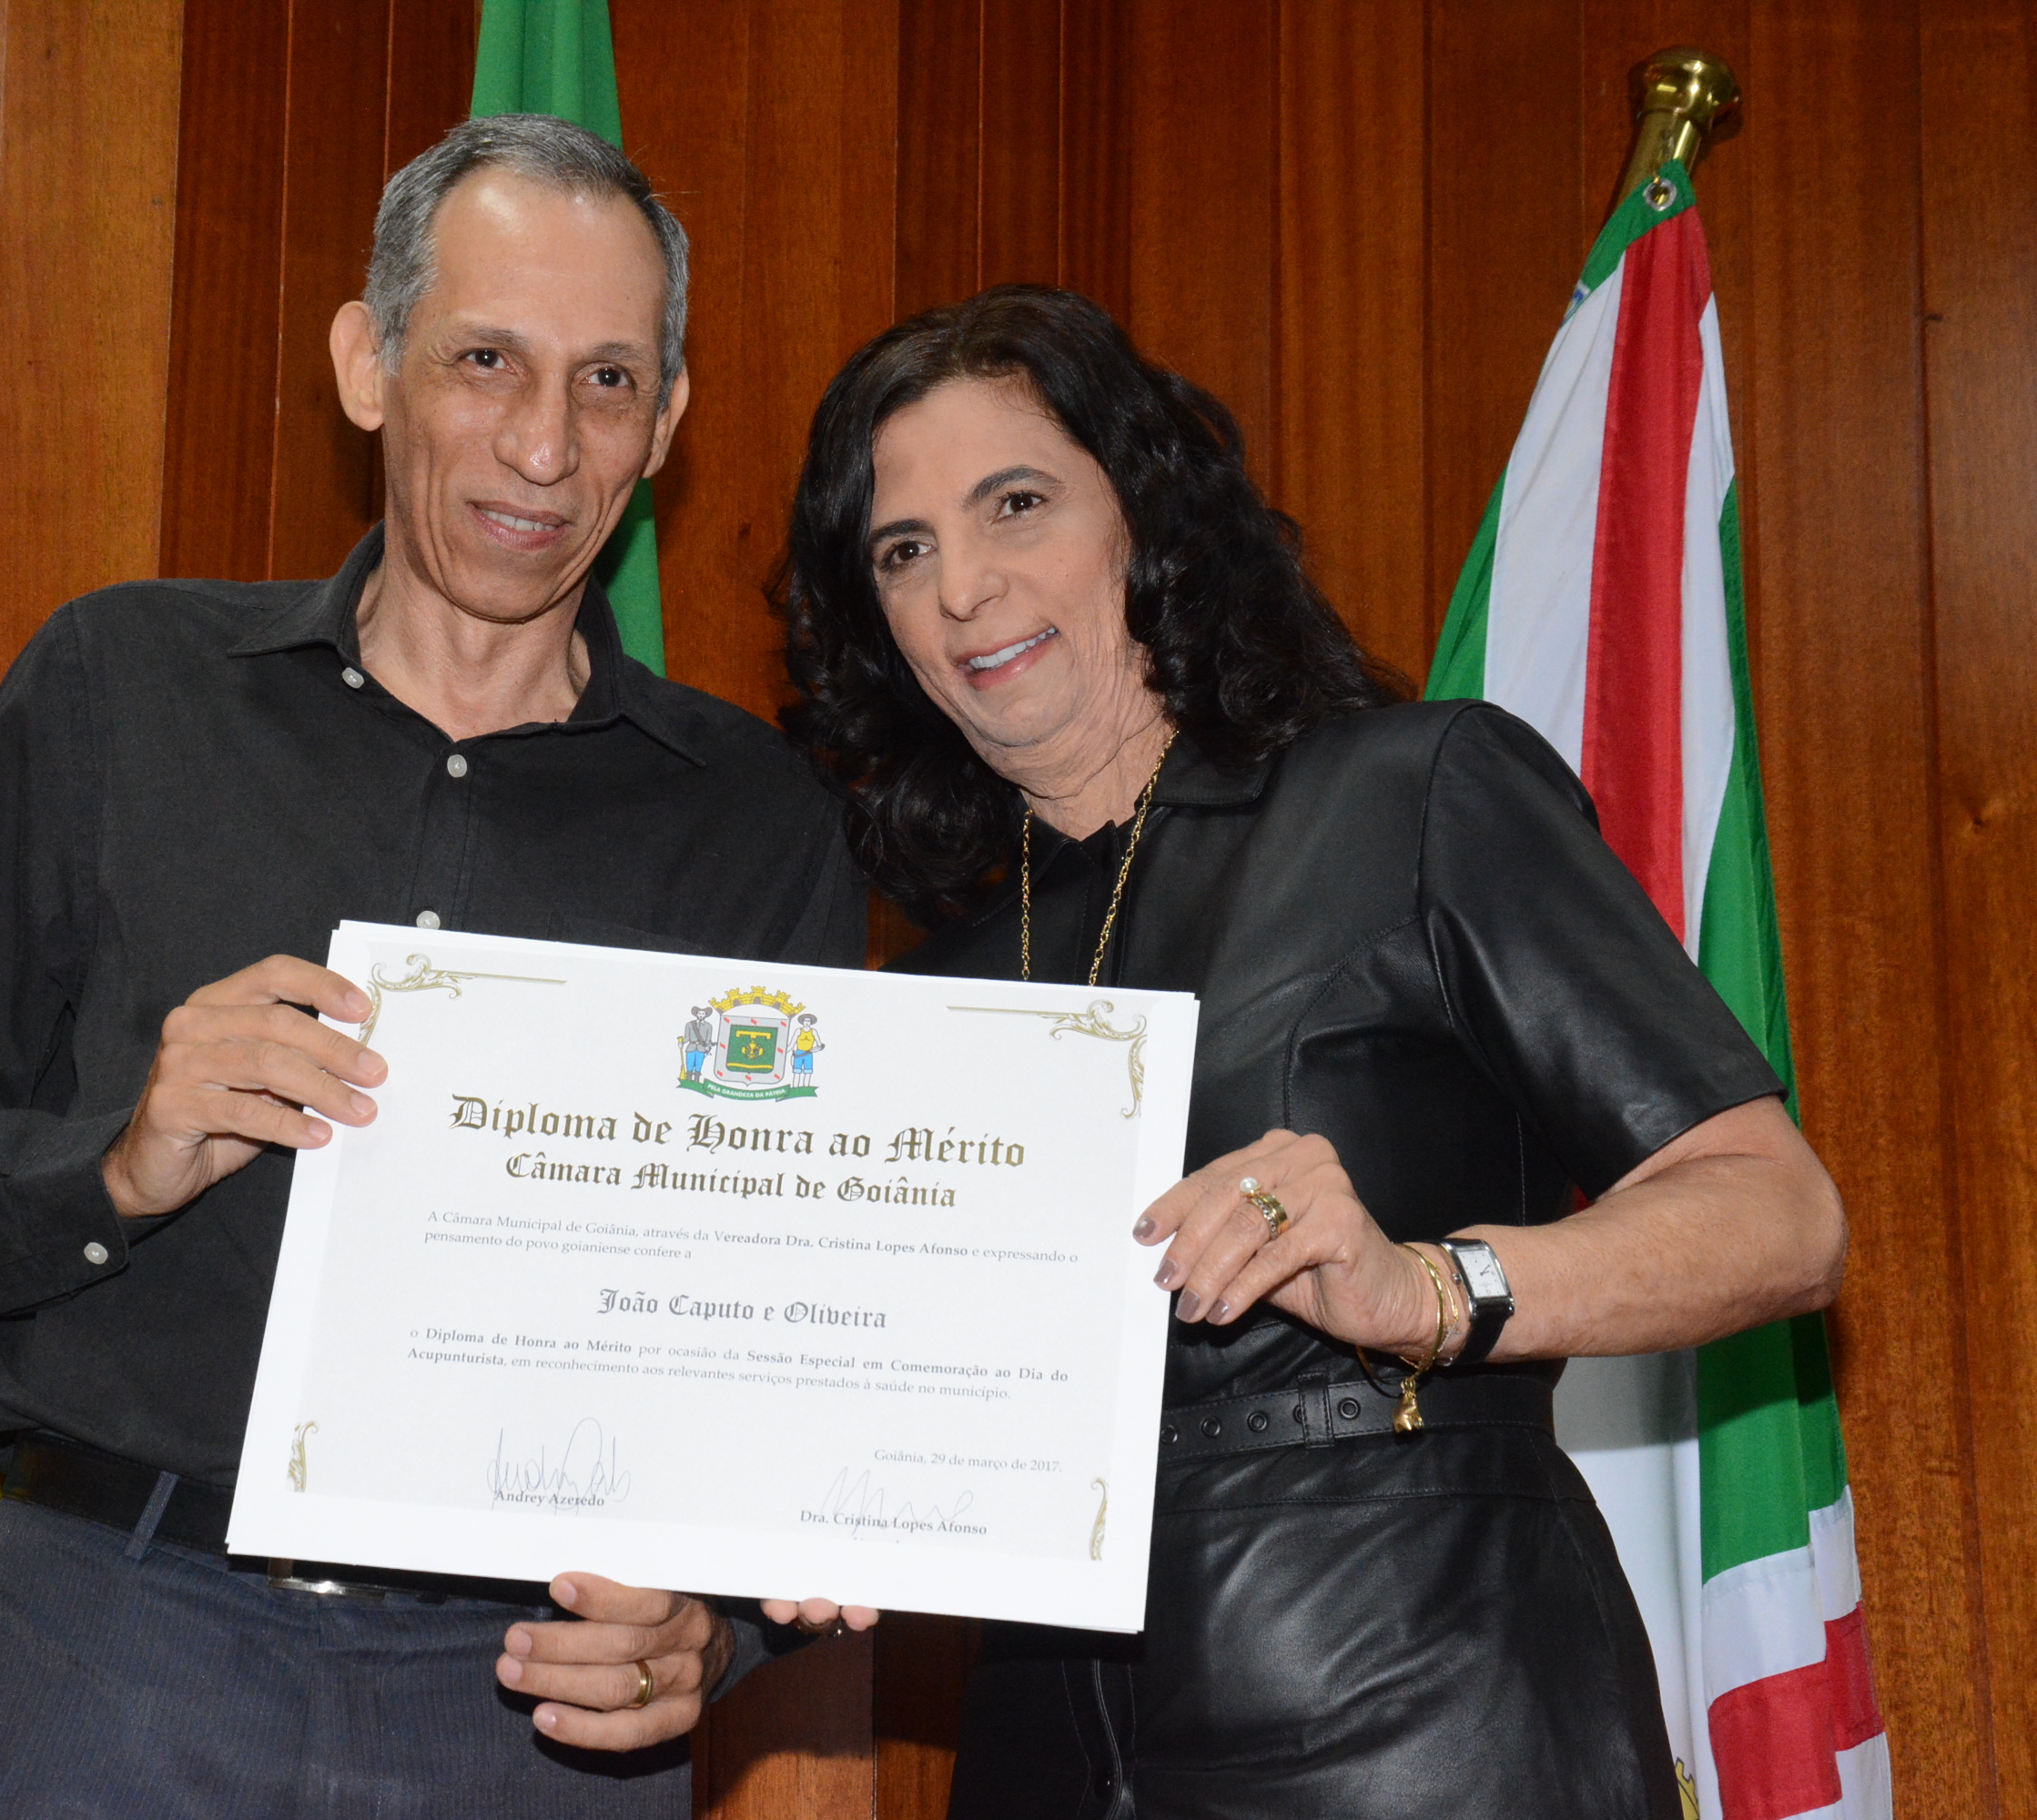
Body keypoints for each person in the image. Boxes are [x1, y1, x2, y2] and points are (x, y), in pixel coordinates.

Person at [0, 116, 864, 1818]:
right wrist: (117, 1164)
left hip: (529, 1714)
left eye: (607, 383)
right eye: (486, 360)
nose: (544, 445)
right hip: (106, 1642)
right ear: (368, 362)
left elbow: (809, 1335)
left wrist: (712, 1637)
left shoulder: (755, 820)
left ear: (666, 425)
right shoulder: (123, 688)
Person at [775, 285, 1848, 1819]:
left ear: (1144, 515)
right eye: (903, 549)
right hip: (1041, 1749)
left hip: (1425, 1714)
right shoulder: (925, 991)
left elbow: (1780, 1214)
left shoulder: (1415, 794)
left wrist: (1427, 1290)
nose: (963, 588)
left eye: (1016, 503)